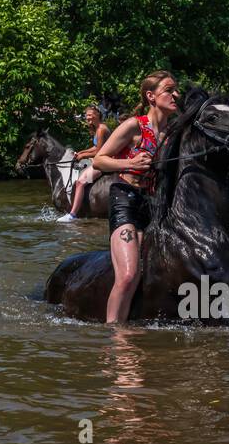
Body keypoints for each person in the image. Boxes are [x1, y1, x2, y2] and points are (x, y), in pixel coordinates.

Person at [92, 71, 179, 324]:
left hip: (156, 204)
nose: (175, 95)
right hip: (125, 200)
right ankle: (115, 337)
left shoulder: (174, 132)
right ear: (151, 96)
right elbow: (99, 160)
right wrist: (129, 162)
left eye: (176, 90)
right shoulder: (134, 126)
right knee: (129, 275)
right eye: (169, 90)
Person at [57, 104, 112, 222]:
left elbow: (99, 151)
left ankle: (72, 214)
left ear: (97, 115)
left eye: (90, 115)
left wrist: (83, 155)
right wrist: (81, 152)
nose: (87, 118)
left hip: (105, 161)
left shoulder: (102, 129)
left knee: (81, 182)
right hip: (100, 158)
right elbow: (95, 146)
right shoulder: (98, 129)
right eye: (86, 115)